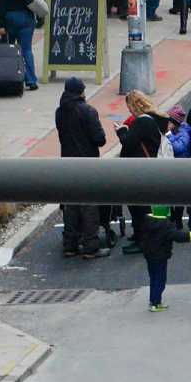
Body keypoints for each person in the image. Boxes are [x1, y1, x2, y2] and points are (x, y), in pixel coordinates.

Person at [55, 77, 110, 258]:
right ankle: (90, 246)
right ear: (80, 91)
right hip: (87, 164)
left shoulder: (60, 112)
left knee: (71, 205)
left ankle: (70, 244)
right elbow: (100, 139)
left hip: (67, 164)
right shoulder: (88, 111)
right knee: (89, 207)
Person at [0, 0, 43, 90]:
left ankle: (12, 78)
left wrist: (0, 24)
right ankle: (31, 80)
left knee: (11, 49)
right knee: (26, 49)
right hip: (27, 17)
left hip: (10, 18)